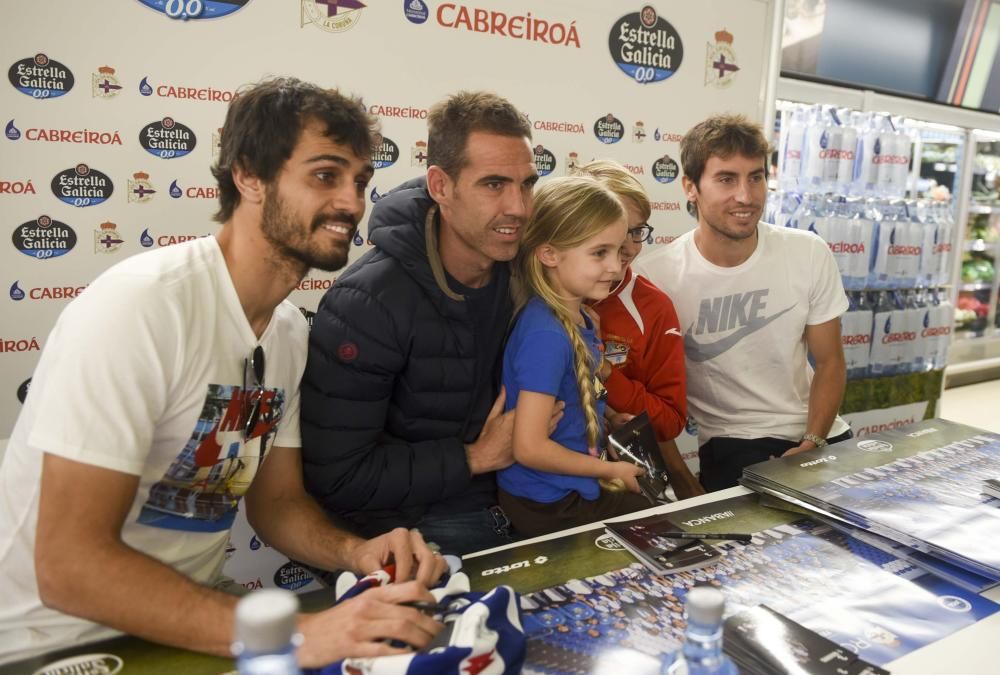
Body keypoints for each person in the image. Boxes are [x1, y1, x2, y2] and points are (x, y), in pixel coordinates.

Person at [0, 77, 447, 668]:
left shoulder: (288, 331)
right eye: (324, 175)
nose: (351, 202)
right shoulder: (141, 305)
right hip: (52, 641)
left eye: (360, 181)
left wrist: (356, 552)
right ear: (249, 176)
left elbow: (278, 503)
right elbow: (69, 567)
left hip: (188, 621)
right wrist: (296, 635)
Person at [302, 91, 558, 555]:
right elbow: (338, 477)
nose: (518, 207)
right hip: (417, 523)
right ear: (440, 187)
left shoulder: (529, 269)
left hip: (521, 496)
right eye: (494, 184)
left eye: (526, 184)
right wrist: (477, 457)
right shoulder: (366, 303)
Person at [634, 113, 851, 492]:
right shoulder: (656, 276)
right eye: (726, 179)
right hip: (733, 445)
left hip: (821, 433)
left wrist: (813, 442)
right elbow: (647, 402)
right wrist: (682, 481)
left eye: (756, 177)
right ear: (690, 187)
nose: (745, 196)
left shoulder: (807, 251)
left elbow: (830, 361)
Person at [497, 176, 650, 537]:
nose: (615, 267)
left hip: (571, 490)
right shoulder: (546, 335)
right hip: (548, 503)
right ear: (549, 253)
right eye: (599, 253)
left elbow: (585, 383)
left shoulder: (579, 319)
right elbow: (529, 447)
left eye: (617, 251)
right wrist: (610, 471)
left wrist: (609, 414)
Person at [576, 160, 704, 500]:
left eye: (637, 231)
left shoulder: (652, 307)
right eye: (615, 230)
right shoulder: (533, 291)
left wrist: (602, 368)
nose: (630, 247)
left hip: (622, 487)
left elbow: (669, 421)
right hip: (540, 486)